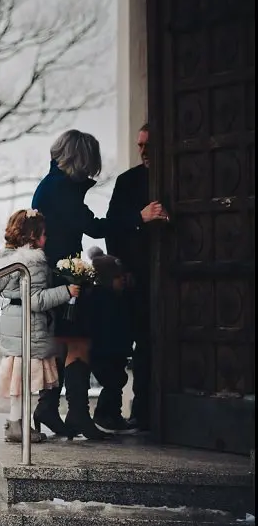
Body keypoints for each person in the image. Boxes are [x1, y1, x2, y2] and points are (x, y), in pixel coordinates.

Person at [31, 130, 167, 440]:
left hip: (59, 272)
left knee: (66, 343)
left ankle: (52, 408)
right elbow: (93, 226)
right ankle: (75, 413)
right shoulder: (62, 189)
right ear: (82, 159)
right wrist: (139, 217)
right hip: (61, 276)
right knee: (77, 342)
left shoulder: (55, 185)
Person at [0, 209, 76, 442]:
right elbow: (35, 300)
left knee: (19, 381)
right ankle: (19, 427)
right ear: (32, 236)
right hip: (29, 326)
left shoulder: (7, 260)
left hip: (12, 321)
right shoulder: (33, 263)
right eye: (43, 234)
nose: (46, 239)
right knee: (25, 382)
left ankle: (15, 423)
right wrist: (67, 291)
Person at [105, 123, 153, 432]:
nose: (143, 150)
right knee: (130, 346)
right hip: (136, 281)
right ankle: (133, 410)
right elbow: (112, 228)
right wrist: (123, 272)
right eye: (140, 145)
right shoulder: (128, 181)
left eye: (149, 144)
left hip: (177, 284)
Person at [85, 247, 135, 434]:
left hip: (116, 350)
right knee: (113, 382)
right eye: (117, 277)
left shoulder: (117, 298)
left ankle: (113, 415)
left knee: (118, 381)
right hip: (105, 352)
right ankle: (104, 416)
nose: (122, 280)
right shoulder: (102, 299)